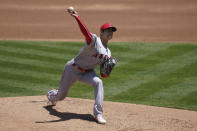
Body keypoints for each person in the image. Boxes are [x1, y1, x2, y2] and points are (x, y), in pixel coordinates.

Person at [46, 7, 117, 124]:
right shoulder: (94, 41)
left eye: (112, 31)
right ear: (102, 33)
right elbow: (86, 33)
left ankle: (98, 114)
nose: (110, 33)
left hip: (87, 72)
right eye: (108, 31)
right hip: (73, 69)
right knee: (60, 96)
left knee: (98, 83)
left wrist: (107, 71)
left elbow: (103, 75)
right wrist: (77, 18)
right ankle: (51, 94)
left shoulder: (108, 53)